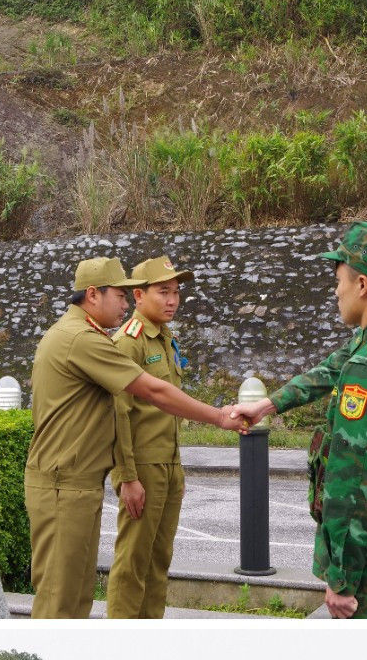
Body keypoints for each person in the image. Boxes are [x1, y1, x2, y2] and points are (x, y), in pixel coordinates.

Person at [25, 257, 250, 618]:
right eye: (121, 295)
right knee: (60, 604)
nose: (126, 303)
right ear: (94, 295)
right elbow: (150, 394)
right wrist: (219, 416)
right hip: (63, 483)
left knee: (77, 598)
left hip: (76, 482)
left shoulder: (81, 335)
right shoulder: (82, 339)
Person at [236, 223, 367, 618]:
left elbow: (355, 485)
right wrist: (269, 404)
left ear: (362, 284)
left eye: (338, 280)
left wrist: (342, 579)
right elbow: (333, 366)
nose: (336, 291)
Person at [107, 256, 194, 619]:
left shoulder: (165, 336)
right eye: (163, 292)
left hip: (170, 464)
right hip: (142, 466)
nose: (172, 300)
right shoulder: (130, 342)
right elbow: (118, 413)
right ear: (138, 296)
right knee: (132, 563)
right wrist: (127, 477)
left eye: (175, 292)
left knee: (159, 560)